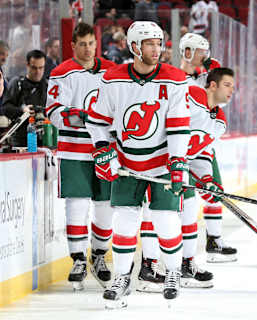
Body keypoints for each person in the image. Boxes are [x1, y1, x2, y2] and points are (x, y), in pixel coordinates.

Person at [86, 21, 190, 307]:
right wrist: (104, 149)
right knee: (124, 220)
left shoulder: (175, 78)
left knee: (165, 220)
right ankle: (122, 277)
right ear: (134, 47)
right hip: (127, 163)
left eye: (159, 43)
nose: (157, 49)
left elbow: (179, 126)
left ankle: (172, 272)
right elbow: (97, 121)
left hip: (161, 163)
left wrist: (178, 162)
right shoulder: (113, 79)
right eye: (149, 44)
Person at [45, 23, 116, 290]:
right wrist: (80, 117)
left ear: (97, 44)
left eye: (91, 43)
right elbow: (52, 111)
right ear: (73, 45)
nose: (87, 49)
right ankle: (77, 259)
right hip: (73, 149)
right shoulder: (62, 73)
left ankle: (99, 255)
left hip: (105, 149)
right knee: (76, 204)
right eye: (82, 44)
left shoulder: (112, 71)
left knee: (105, 204)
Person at [178, 32, 237, 262]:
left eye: (206, 51)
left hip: (203, 143)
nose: (205, 56)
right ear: (188, 51)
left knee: (214, 191)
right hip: (179, 145)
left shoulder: (206, 77)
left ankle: (214, 240)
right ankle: (182, 258)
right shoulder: (175, 78)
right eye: (200, 51)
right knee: (186, 202)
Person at [3, 50, 48, 147]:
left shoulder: (48, 86)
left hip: (45, 139)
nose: (38, 72)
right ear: (27, 65)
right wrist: (22, 110)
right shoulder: (17, 84)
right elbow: (5, 108)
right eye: (34, 68)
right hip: (21, 140)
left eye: (41, 68)